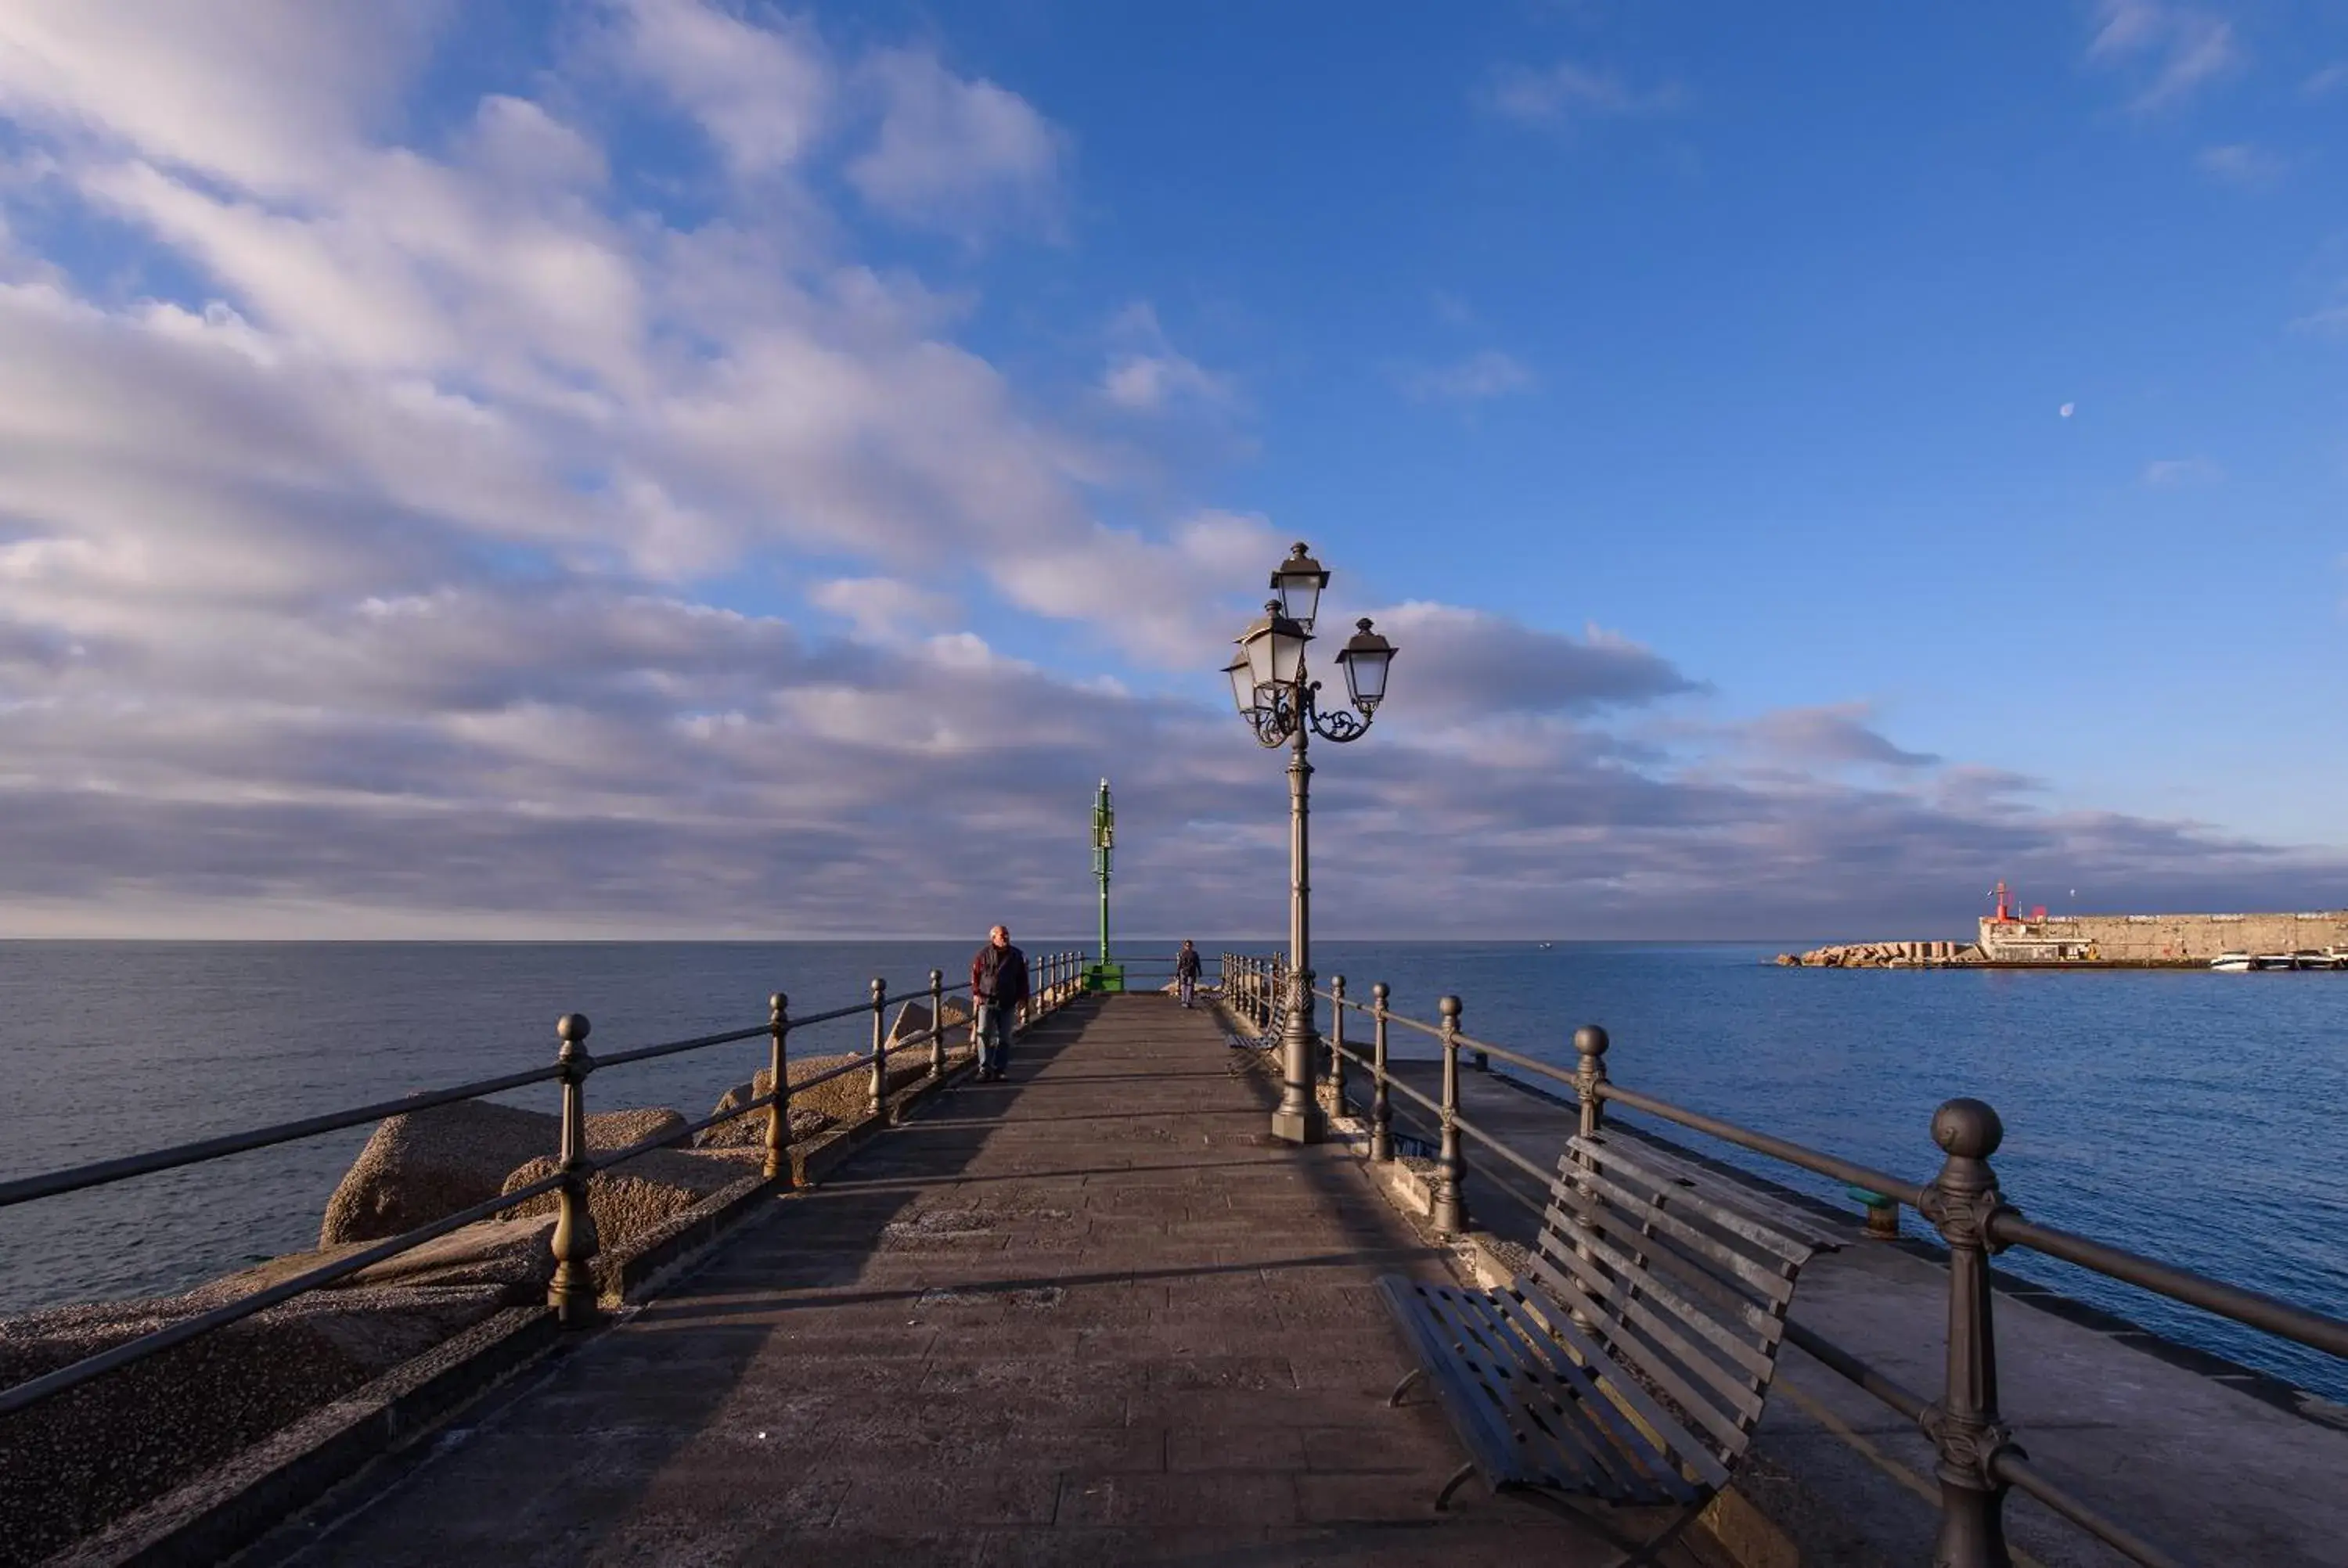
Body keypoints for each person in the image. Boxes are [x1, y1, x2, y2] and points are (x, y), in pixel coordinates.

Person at [969, 924, 1030, 1081]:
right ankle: (984, 1069)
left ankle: (999, 1069)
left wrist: (1023, 998)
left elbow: (1023, 978)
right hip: (986, 1000)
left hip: (1008, 1001)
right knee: (983, 1034)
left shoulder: (1016, 955)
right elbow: (975, 975)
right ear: (993, 938)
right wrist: (976, 993)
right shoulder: (983, 955)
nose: (1005, 938)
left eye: (1007, 935)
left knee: (1005, 1037)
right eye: (1002, 935)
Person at [1174, 940, 1202, 1008]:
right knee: (1184, 987)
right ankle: (1184, 1001)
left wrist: (1199, 971)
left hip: (1191, 972)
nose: (1188, 947)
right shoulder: (1183, 954)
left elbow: (1198, 964)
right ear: (1185, 946)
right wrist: (1177, 973)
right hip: (1184, 972)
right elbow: (1180, 964)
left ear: (1192, 946)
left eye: (1189, 946)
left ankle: (1188, 1001)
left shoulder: (1194, 954)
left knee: (1189, 987)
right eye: (1187, 946)